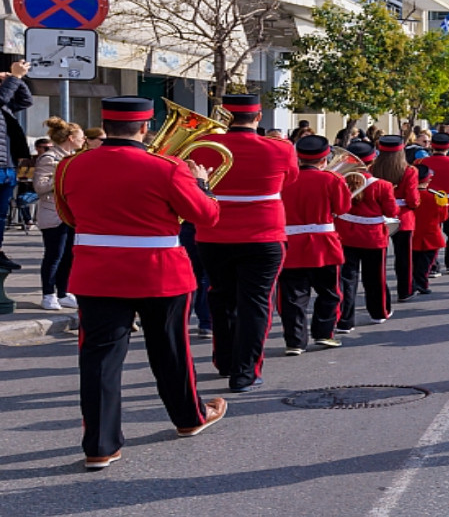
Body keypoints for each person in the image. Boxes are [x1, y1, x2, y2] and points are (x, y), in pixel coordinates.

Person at [55, 96, 225, 469]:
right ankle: (189, 418)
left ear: (106, 123)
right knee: (170, 351)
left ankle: (100, 446)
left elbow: (69, 217)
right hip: (160, 273)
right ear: (146, 127)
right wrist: (203, 184)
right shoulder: (170, 167)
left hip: (96, 274)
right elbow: (207, 216)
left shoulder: (70, 166)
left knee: (99, 360)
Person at [191, 94, 299, 393]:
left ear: (224, 116)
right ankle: (245, 372)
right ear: (258, 117)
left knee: (220, 296)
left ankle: (224, 361)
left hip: (213, 234)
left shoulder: (202, 146)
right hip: (264, 235)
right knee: (255, 303)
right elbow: (288, 181)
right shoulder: (280, 148)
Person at [278, 135, 352, 354]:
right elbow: (343, 208)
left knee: (292, 297)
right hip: (324, 242)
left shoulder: (284, 178)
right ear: (324, 158)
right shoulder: (332, 179)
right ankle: (324, 333)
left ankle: (294, 342)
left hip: (291, 242)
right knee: (329, 292)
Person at [335, 141, 400, 330]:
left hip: (345, 234)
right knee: (375, 277)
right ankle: (379, 312)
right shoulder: (383, 185)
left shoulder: (338, 181)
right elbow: (391, 212)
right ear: (372, 162)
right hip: (373, 237)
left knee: (347, 278)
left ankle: (345, 321)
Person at [34, 117, 85, 310]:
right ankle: (48, 294)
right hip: (53, 214)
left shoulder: (72, 157)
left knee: (69, 255)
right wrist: (62, 175)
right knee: (54, 255)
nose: (83, 141)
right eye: (80, 137)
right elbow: (40, 187)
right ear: (71, 138)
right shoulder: (50, 158)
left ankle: (64, 292)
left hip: (70, 214)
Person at [370, 134, 420, 301]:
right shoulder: (410, 171)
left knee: (379, 261)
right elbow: (413, 200)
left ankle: (381, 296)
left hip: (379, 216)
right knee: (404, 258)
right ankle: (405, 290)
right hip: (403, 217)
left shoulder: (372, 169)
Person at [416, 133, 449, 274]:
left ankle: (432, 267)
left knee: (431, 234)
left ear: (432, 145)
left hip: (427, 202)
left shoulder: (420, 162)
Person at [0, 60, 33, 270]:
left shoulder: (5, 106)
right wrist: (14, 78)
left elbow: (26, 100)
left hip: (7, 166)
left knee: (2, 214)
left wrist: (17, 82)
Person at [412, 165, 448, 296]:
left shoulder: (409, 196)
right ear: (428, 179)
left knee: (413, 263)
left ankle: (413, 283)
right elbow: (443, 217)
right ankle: (421, 284)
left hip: (413, 235)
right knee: (426, 264)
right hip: (431, 235)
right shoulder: (436, 196)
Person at [15, 137, 50, 230]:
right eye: (46, 148)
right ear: (37, 148)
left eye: (50, 148)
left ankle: (30, 221)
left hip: (47, 190)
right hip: (31, 189)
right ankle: (28, 220)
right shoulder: (29, 161)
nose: (48, 151)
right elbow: (21, 174)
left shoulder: (53, 160)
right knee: (20, 199)